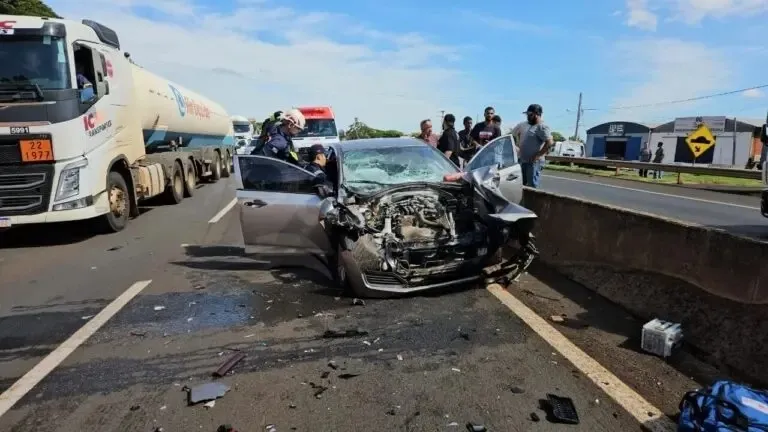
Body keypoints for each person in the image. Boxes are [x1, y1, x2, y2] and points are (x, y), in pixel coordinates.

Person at [512, 104, 553, 188]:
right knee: (520, 184)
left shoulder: (542, 127)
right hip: (523, 159)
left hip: (534, 162)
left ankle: (532, 201)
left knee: (532, 185)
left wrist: (538, 155)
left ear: (537, 114)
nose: (528, 117)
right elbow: (512, 135)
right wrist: (515, 146)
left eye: (530, 114)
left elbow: (549, 142)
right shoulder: (523, 124)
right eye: (527, 114)